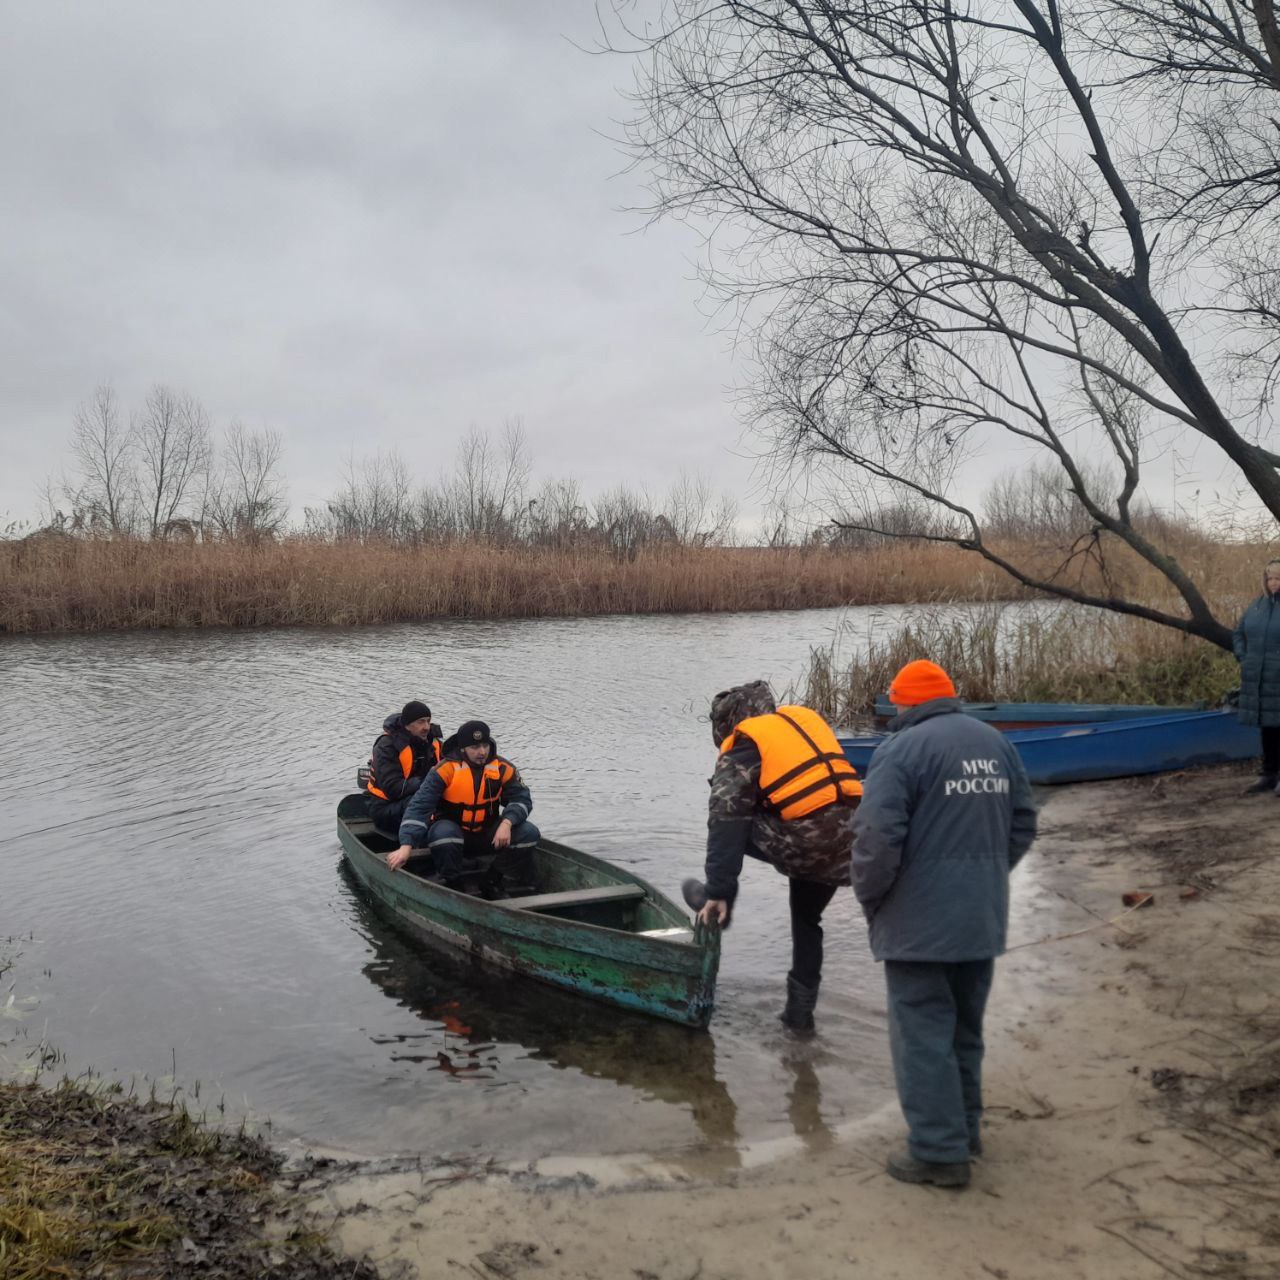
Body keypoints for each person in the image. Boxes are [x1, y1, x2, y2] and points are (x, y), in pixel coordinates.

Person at [851, 660, 1037, 1188]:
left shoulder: (899, 752)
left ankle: (938, 1153)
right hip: (981, 917)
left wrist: (871, 899)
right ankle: (965, 1133)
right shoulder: (995, 743)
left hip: (918, 925)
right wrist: (986, 876)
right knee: (963, 1031)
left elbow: (874, 841)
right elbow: (1023, 823)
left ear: (903, 703)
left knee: (923, 1036)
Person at [683, 681, 863, 1035]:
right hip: (855, 844)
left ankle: (719, 902)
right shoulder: (802, 722)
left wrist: (719, 888)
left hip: (808, 843)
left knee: (730, 817)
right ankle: (799, 1021)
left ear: (728, 724)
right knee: (807, 919)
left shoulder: (746, 742)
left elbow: (726, 819)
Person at [388, 720, 539, 892]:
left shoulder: (504, 768)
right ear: (462, 748)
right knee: (443, 834)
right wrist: (406, 846)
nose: (481, 752)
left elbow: (522, 799)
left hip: (487, 833)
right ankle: (453, 883)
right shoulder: (444, 770)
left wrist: (507, 822)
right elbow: (420, 807)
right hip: (453, 834)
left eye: (484, 746)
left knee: (529, 833)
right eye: (474, 747)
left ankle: (493, 879)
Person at [1233, 559, 1280, 795]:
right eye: (1270, 578)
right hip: (1260, 679)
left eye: (1278, 578)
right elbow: (1239, 633)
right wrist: (1244, 657)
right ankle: (1268, 775)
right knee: (1268, 728)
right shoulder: (1257, 606)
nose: (1273, 583)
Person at [364, 700, 444, 834]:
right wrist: (429, 781)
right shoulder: (387, 747)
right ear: (407, 725)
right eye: (421, 722)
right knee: (420, 802)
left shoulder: (434, 743)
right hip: (385, 807)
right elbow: (393, 789)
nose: (426, 727)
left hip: (421, 798)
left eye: (428, 721)